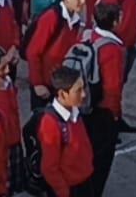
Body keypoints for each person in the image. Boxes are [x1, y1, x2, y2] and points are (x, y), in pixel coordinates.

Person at [36, 66, 93, 197]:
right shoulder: (51, 123)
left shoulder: (75, 112)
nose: (83, 94)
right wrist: (63, 191)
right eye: (78, 90)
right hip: (69, 188)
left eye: (83, 88)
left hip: (84, 181)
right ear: (62, 94)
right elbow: (49, 167)